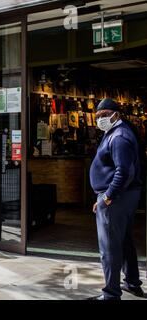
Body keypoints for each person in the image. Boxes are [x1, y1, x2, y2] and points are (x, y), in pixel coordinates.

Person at [88, 98, 144, 300]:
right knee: (125, 241)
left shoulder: (119, 136)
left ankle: (111, 294)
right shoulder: (114, 133)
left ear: (116, 115)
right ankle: (132, 283)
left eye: (104, 115)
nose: (100, 119)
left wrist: (108, 197)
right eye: (98, 116)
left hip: (117, 197)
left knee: (109, 246)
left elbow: (124, 172)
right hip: (125, 196)